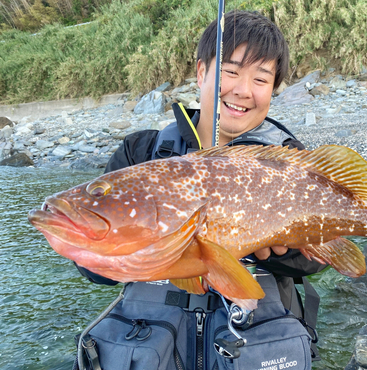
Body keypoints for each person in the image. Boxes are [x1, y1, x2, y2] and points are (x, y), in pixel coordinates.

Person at [75, 10, 327, 370]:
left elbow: (310, 263)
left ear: (273, 88)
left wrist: (266, 249)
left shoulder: (289, 160)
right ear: (201, 72)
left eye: (261, 78)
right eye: (231, 71)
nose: (243, 90)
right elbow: (92, 269)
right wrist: (103, 252)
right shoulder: (140, 153)